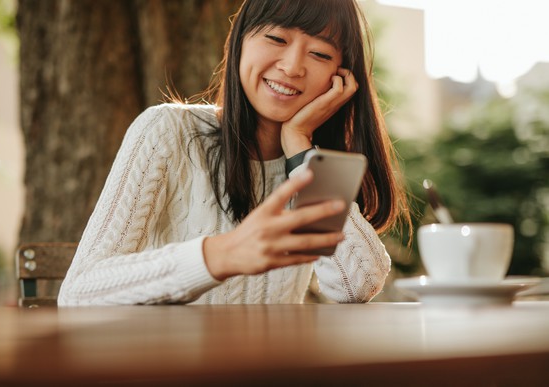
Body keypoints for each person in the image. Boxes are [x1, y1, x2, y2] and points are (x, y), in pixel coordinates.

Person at [58, 0, 409, 306]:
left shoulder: (313, 168)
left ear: (340, 77)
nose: (292, 66)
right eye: (276, 38)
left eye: (319, 53)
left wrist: (300, 148)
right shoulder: (167, 131)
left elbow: (358, 284)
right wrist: (219, 256)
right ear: (240, 41)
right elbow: (79, 291)